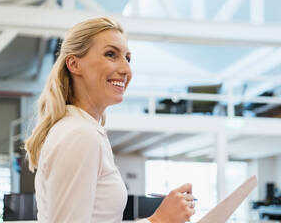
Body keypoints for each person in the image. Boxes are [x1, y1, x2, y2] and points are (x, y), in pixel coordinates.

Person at [24, 17, 196, 223]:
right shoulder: (80, 135)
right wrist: (158, 221)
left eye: (128, 58)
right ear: (74, 64)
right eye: (111, 54)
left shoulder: (84, 130)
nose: (126, 70)